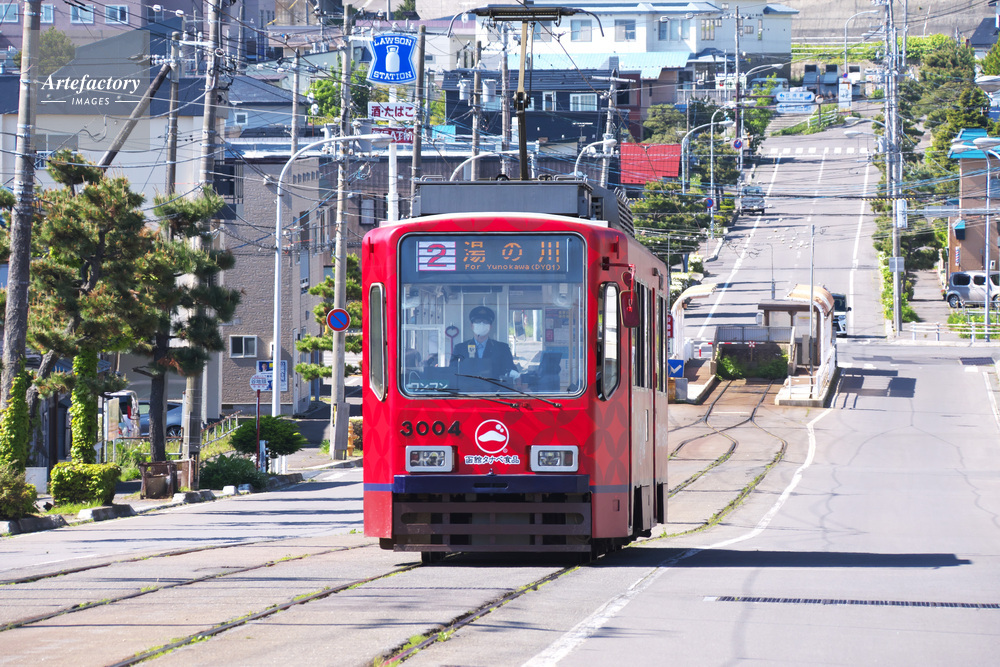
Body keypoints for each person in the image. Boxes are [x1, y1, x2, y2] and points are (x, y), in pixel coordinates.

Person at [450, 305, 518, 380]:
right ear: (472, 326)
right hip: (467, 387)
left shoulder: (502, 349)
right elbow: (452, 372)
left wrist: (514, 374)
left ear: (490, 326)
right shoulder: (460, 349)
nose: (481, 324)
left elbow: (510, 370)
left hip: (494, 387)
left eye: (485, 322)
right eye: (478, 321)